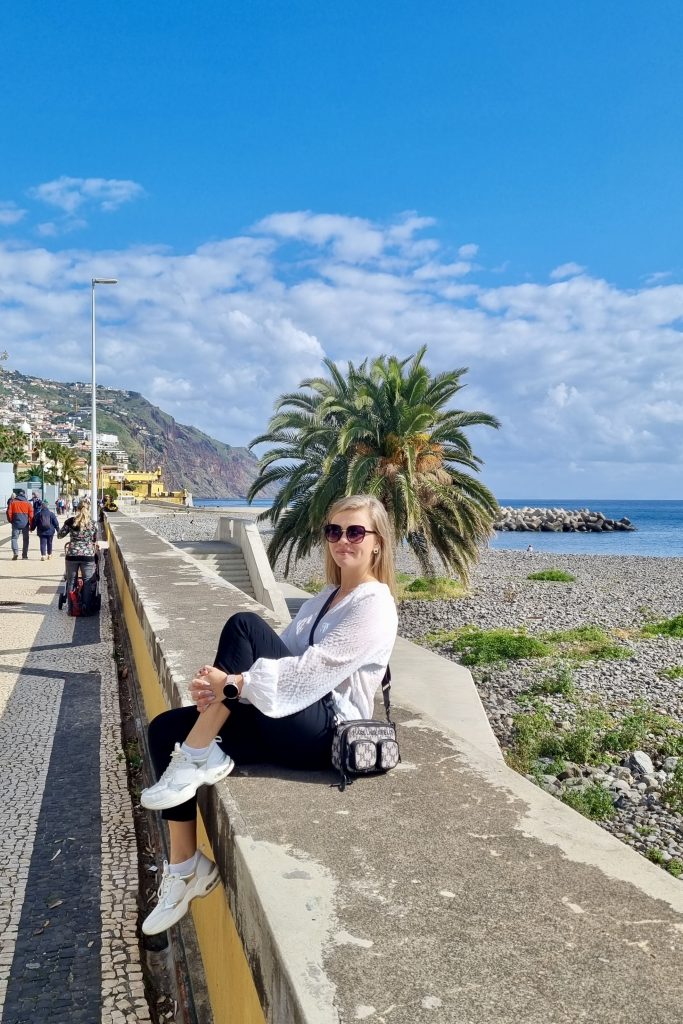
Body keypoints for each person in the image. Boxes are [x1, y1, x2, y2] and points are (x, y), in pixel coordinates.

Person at [139, 493, 398, 935]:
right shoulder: (325, 598)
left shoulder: (374, 603)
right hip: (291, 719)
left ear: (377, 543)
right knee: (165, 730)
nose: (342, 541)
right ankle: (185, 870)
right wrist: (225, 685)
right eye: (333, 531)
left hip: (325, 733)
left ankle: (200, 751)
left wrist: (234, 685)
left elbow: (311, 671)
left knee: (244, 623)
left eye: (355, 532)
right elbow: (281, 656)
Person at [57, 500, 99, 609]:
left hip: (72, 555)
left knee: (71, 580)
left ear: (77, 509)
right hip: (88, 555)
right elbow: (95, 538)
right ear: (88, 509)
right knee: (87, 581)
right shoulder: (93, 523)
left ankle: (72, 607)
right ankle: (86, 605)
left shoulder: (70, 521)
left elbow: (60, 535)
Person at [6, 488, 34, 560]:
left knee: (14, 538)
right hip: (25, 524)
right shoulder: (28, 503)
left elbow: (9, 513)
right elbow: (31, 516)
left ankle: (15, 553)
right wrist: (31, 526)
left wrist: (11, 521)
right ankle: (24, 555)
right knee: (26, 539)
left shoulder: (12, 502)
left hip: (16, 523)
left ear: (18, 494)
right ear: (24, 494)